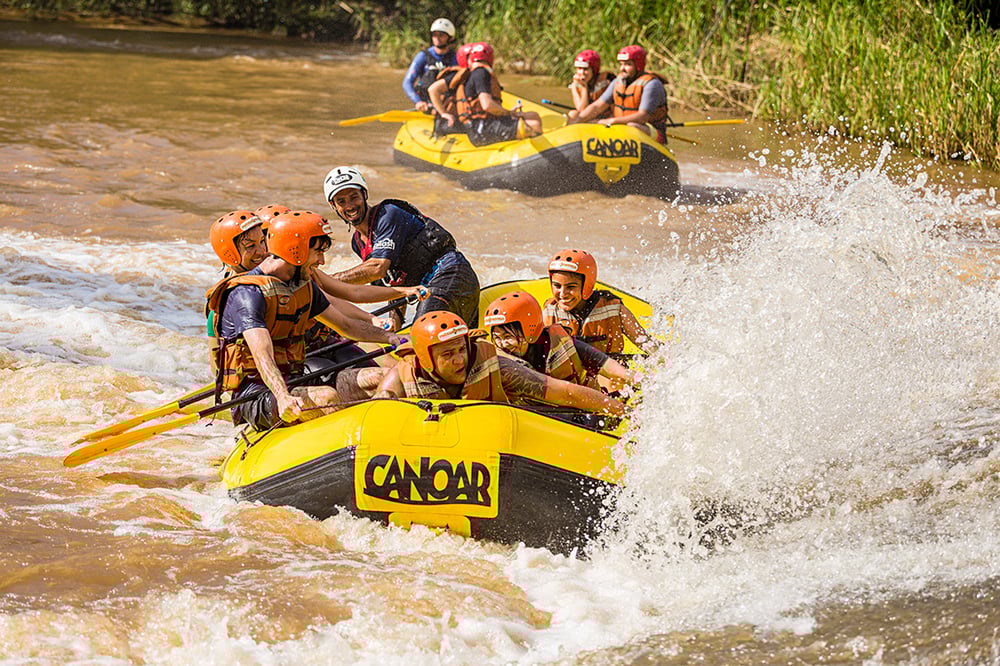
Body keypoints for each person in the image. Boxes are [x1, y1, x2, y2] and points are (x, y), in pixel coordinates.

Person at [205, 211, 403, 431]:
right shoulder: (246, 293)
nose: (322, 261)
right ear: (296, 251)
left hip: (299, 381)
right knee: (327, 397)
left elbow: (346, 326)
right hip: (258, 394)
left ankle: (387, 432)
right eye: (317, 252)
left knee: (384, 376)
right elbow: (262, 354)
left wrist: (392, 338)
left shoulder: (301, 284)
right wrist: (282, 396)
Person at [373, 311, 625, 417]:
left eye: (461, 349)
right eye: (448, 354)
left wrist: (621, 412)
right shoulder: (405, 373)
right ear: (426, 358)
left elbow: (566, 392)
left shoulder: (500, 367)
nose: (460, 359)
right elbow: (379, 406)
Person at [323, 165, 481, 328]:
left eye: (354, 197)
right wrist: (394, 325)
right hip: (430, 291)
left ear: (364, 194)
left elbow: (377, 269)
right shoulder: (357, 243)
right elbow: (395, 283)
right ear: (333, 205)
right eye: (341, 201)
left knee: (423, 332)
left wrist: (325, 281)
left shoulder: (388, 214)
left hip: (453, 276)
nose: (349, 206)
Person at [483, 290, 641, 391]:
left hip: (579, 409)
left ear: (529, 330)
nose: (502, 344)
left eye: (507, 337)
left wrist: (643, 384)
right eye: (497, 338)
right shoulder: (499, 360)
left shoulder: (564, 344)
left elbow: (611, 368)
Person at [542, 249, 656, 357]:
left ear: (587, 285)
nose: (562, 294)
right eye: (557, 286)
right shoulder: (549, 312)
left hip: (611, 369)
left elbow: (649, 345)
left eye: (571, 287)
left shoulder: (615, 310)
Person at [567, 45, 670, 144]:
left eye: (627, 64)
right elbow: (597, 106)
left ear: (638, 65)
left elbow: (642, 117)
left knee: (632, 126)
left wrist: (612, 121)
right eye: (621, 64)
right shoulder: (618, 81)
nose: (622, 68)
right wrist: (578, 121)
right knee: (582, 118)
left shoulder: (652, 85)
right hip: (621, 127)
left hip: (651, 131)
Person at [454, 42, 542, 146]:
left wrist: (509, 113)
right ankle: (533, 152)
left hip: (481, 126)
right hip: (481, 129)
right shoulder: (481, 73)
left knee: (532, 115)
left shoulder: (476, 73)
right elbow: (487, 105)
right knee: (534, 123)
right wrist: (509, 113)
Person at [402, 18, 458, 113]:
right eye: (434, 35)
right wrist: (418, 102)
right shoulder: (422, 56)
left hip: (447, 104)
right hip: (426, 104)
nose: (437, 38)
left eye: (441, 35)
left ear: (450, 38)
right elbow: (407, 83)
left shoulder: (455, 57)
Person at [427, 41, 475, 135]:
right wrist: (443, 113)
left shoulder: (479, 75)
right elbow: (432, 90)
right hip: (448, 121)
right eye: (472, 58)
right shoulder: (456, 76)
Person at [210, 210, 268, 279]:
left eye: (262, 241)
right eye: (250, 246)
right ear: (229, 254)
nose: (261, 251)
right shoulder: (244, 285)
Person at [567, 49, 614, 122]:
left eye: (585, 69)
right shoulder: (575, 85)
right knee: (573, 114)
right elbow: (581, 110)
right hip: (587, 118)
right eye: (579, 69)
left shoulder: (606, 83)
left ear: (594, 70)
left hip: (604, 119)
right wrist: (584, 87)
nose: (581, 72)